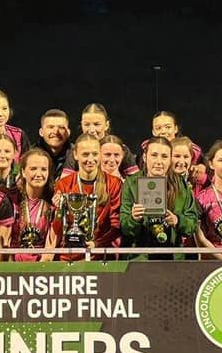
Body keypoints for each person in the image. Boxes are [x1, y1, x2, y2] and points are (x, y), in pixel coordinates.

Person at [120, 136, 198, 260]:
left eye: (164, 156)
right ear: (145, 157)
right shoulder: (131, 183)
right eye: (154, 155)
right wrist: (134, 219)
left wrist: (177, 220)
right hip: (139, 259)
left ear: (170, 160)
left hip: (172, 259)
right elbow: (124, 227)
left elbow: (192, 224)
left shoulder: (181, 185)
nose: (159, 161)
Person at [53, 133, 122, 261]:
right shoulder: (63, 184)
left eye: (95, 154)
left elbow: (116, 224)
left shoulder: (113, 184)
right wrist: (58, 210)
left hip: (100, 257)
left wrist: (97, 243)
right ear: (75, 155)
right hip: (68, 256)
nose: (90, 159)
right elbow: (58, 229)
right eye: (85, 154)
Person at [61, 103, 138, 178]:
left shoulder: (120, 149)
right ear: (81, 125)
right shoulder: (76, 151)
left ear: (106, 125)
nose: (91, 130)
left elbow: (136, 183)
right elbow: (64, 184)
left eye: (96, 124)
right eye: (87, 125)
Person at [9, 148, 58, 262]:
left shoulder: (54, 202)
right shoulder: (11, 200)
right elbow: (5, 240)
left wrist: (39, 270)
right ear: (23, 172)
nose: (38, 174)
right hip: (12, 267)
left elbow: (50, 248)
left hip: (42, 269)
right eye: (33, 169)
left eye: (43, 169)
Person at [136, 111, 203, 171]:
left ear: (175, 129)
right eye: (158, 128)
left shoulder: (191, 148)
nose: (163, 131)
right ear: (153, 132)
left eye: (168, 127)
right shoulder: (146, 147)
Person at [33, 108, 72, 180]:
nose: (56, 132)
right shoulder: (29, 156)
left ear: (68, 132)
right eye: (50, 127)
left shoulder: (78, 155)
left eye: (61, 127)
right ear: (41, 132)